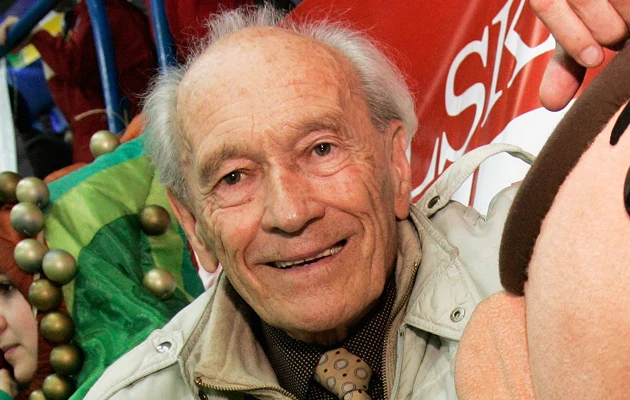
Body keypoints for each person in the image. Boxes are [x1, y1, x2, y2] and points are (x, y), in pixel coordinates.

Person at [83, 3, 630, 400]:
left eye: (321, 149)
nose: (290, 212)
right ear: (192, 224)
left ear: (396, 164)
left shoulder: (554, 272)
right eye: (233, 178)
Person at [0, 0, 157, 163]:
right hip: (104, 141)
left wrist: (37, 35)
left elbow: (74, 65)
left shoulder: (106, 10)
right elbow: (72, 94)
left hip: (129, 137)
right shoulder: (80, 17)